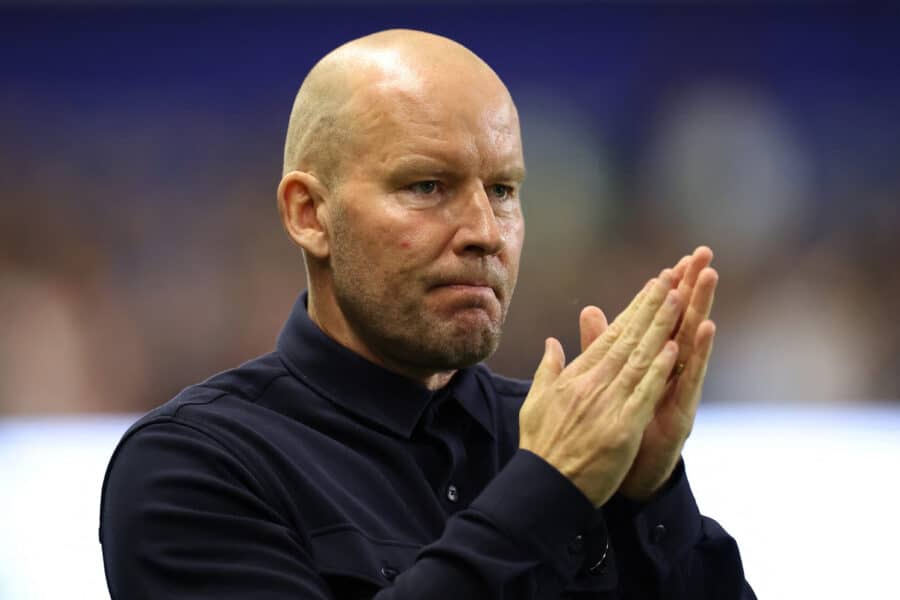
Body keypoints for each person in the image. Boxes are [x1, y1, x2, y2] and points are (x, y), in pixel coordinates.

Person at [99, 29, 755, 599]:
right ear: (309, 214)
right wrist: (547, 490)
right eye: (426, 186)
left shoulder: (581, 445)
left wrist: (651, 495)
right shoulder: (193, 469)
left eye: (502, 191)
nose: (483, 231)